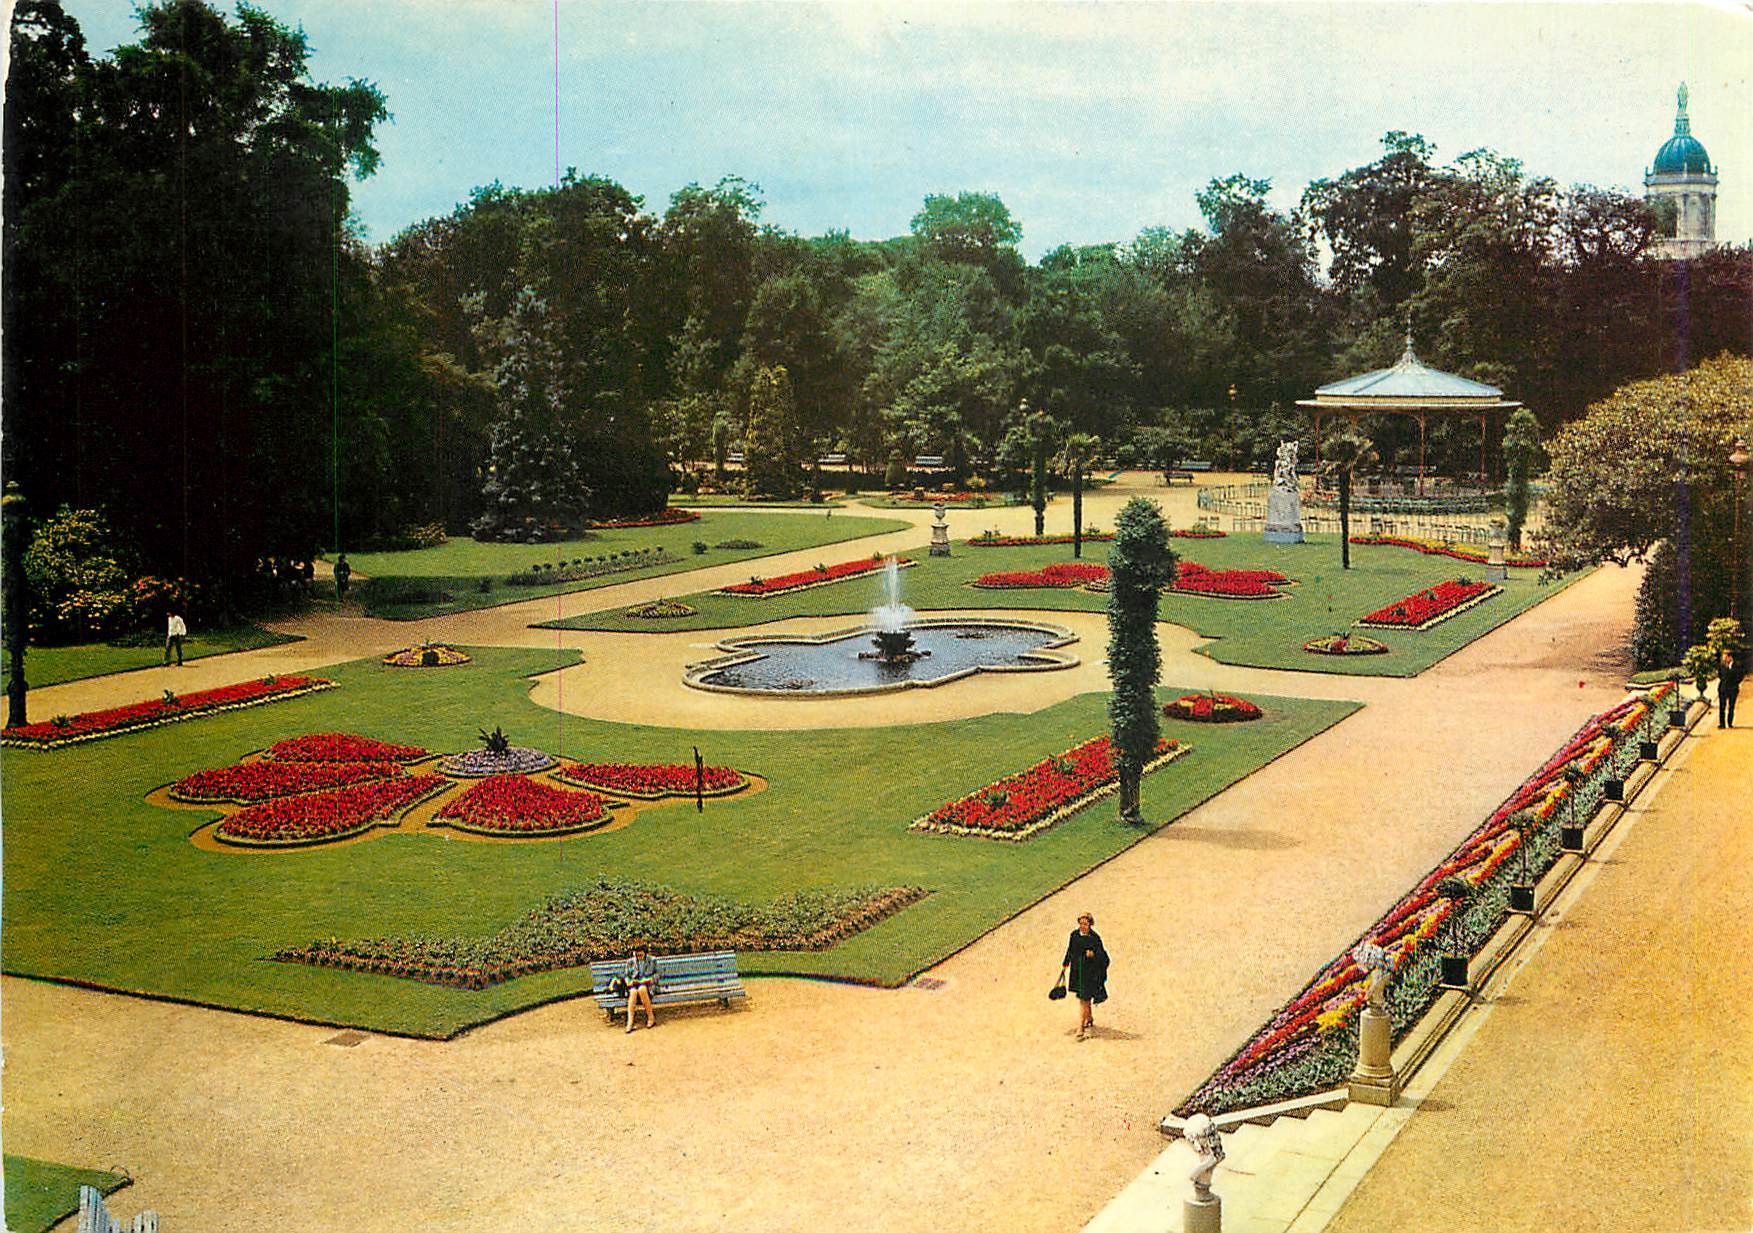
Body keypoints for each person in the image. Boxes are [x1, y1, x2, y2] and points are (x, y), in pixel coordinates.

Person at [1058, 912, 1109, 1041]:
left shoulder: (1094, 938)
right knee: (1084, 997)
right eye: (1081, 923)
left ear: (1090, 924)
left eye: (1085, 924)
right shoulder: (1074, 935)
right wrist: (1065, 964)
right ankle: (1089, 1017)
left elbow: (1104, 957)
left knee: (1083, 998)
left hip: (1090, 974)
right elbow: (1070, 950)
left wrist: (1094, 954)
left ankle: (1080, 1028)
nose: (1083, 926)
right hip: (1077, 971)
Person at [621, 945, 659, 1033]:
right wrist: (628, 981)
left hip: (648, 986)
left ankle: (651, 1017)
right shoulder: (630, 962)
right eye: (637, 955)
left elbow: (658, 974)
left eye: (641, 955)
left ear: (645, 954)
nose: (639, 957)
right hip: (634, 985)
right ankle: (630, 1022)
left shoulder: (652, 960)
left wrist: (648, 979)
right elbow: (626, 975)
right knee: (633, 992)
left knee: (642, 989)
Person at [1719, 647, 1745, 729]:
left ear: (1730, 657)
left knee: (1731, 706)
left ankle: (1730, 722)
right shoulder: (1722, 666)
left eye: (1725, 657)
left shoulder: (1737, 666)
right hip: (1723, 688)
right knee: (1722, 706)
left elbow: (1741, 676)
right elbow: (1720, 675)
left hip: (1733, 689)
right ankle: (1722, 724)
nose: (1724, 659)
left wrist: (1735, 683)